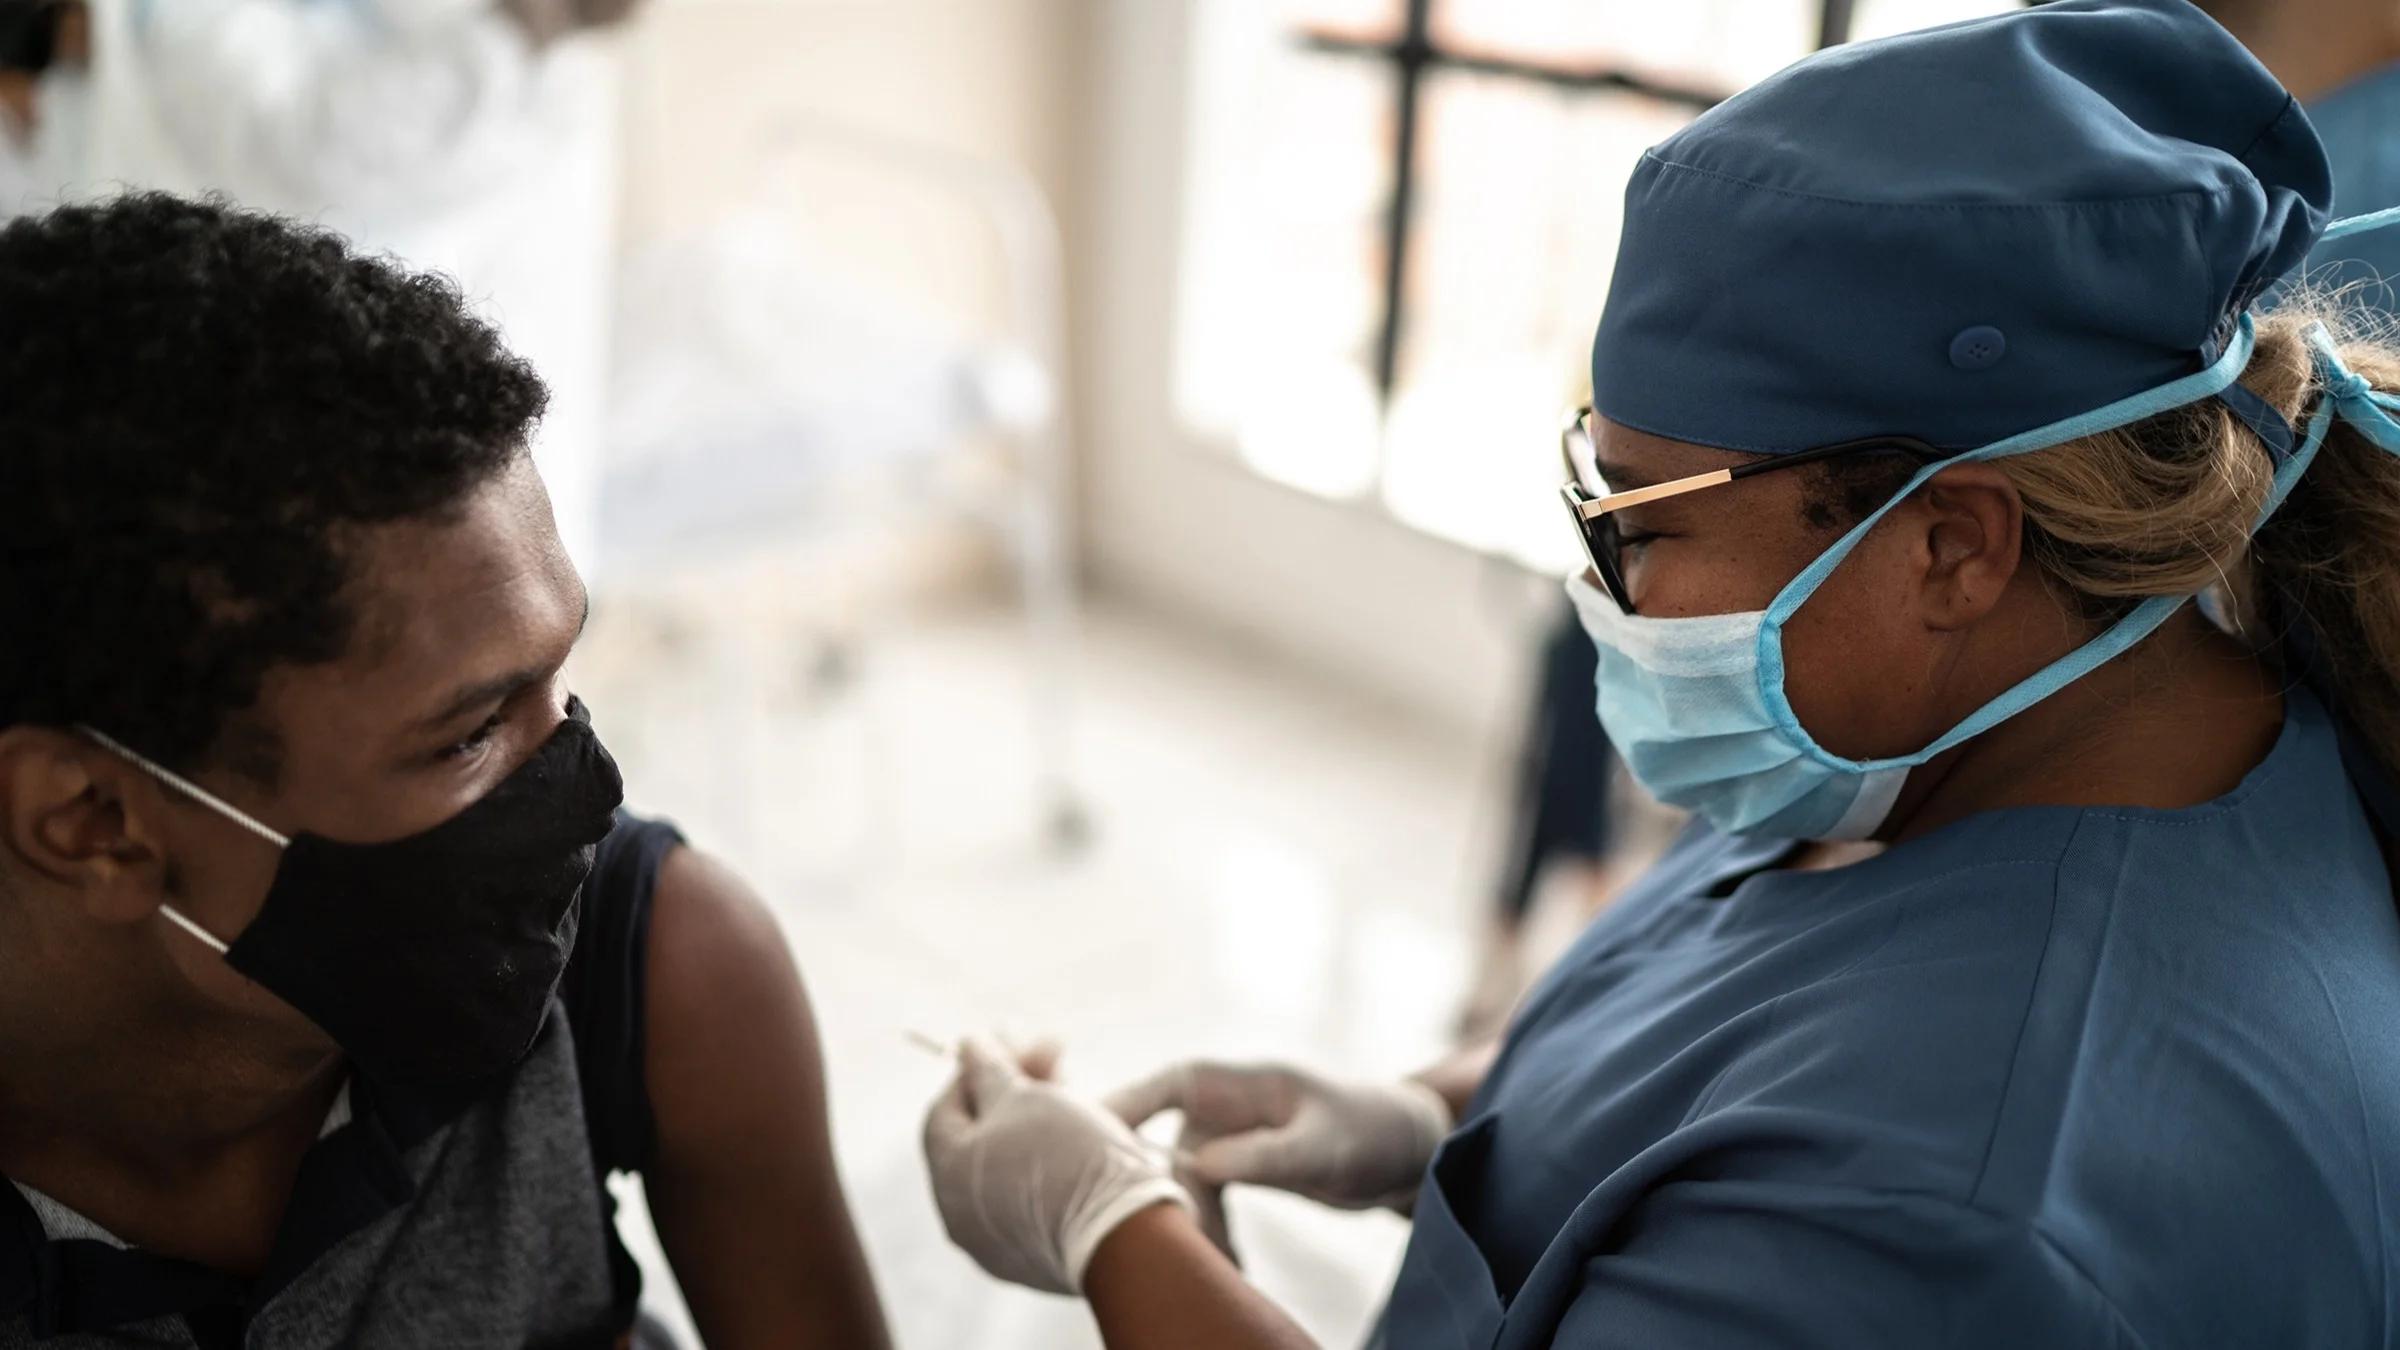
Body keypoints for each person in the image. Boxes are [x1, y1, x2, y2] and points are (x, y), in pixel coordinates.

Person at [919, 1, 2400, 1345]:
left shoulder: (1969, 1212)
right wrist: (1419, 1120)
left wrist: (1116, 1233)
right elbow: (1725, 1020)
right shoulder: (1953, 729)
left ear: (1953, 545)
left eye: (1642, 526)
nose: (1601, 590)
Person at [0, 194, 891, 1349]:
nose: (587, 783)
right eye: (468, 736)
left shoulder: (666, 968)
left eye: (560, 680)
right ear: (95, 822)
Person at [73, 0, 644, 574]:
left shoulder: (518, 58)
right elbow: (292, 139)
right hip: (341, 487)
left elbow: (309, 147)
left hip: (441, 505)